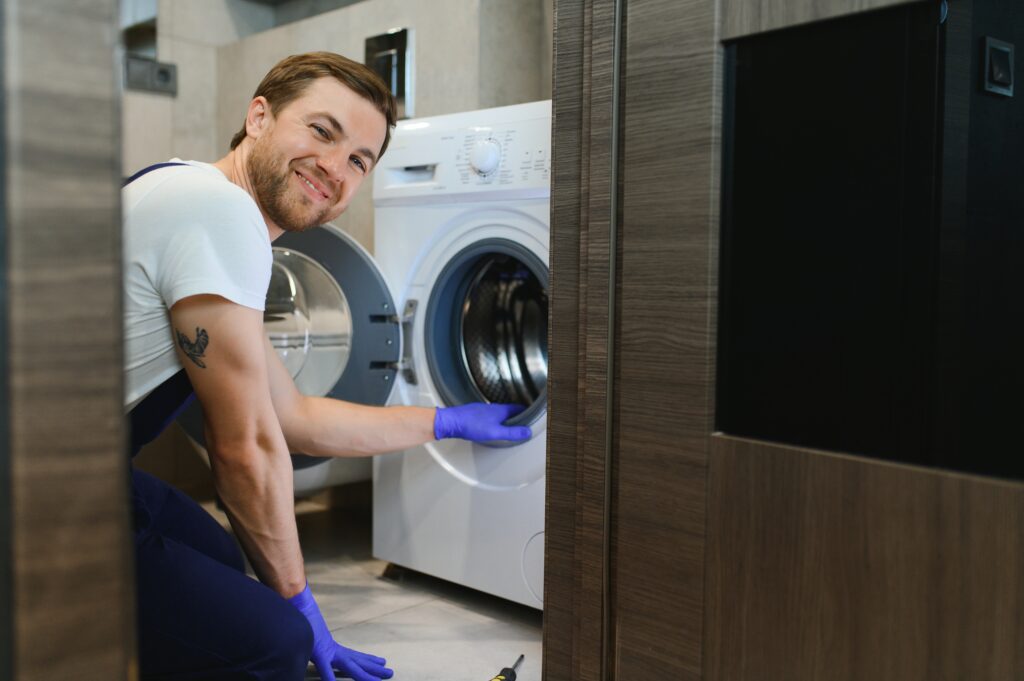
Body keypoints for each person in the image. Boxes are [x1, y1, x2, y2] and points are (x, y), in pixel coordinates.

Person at [122, 52, 532, 681]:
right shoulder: (219, 211)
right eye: (321, 131)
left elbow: (296, 418)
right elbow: (246, 450)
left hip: (74, 470)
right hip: (33, 493)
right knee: (273, 642)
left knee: (219, 559)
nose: (334, 169)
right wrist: (300, 605)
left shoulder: (189, 191)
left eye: (359, 160)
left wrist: (445, 421)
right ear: (258, 117)